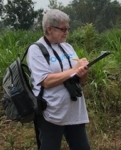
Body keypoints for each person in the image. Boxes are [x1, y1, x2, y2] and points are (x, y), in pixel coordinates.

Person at [27, 9, 90, 150]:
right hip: (51, 111)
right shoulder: (36, 50)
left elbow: (80, 80)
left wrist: (83, 70)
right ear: (49, 29)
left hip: (74, 110)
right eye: (63, 29)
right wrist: (74, 70)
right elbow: (46, 81)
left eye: (68, 28)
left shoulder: (67, 47)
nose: (67, 32)